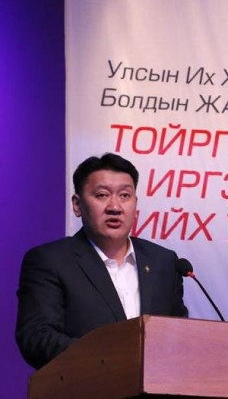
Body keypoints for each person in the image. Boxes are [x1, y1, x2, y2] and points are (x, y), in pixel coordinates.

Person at [16, 153, 188, 369]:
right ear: (77, 205)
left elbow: (179, 336)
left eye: (125, 195)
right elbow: (37, 338)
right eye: (102, 195)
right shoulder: (50, 261)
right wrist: (113, 359)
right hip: (83, 383)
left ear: (135, 204)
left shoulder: (164, 261)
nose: (115, 206)